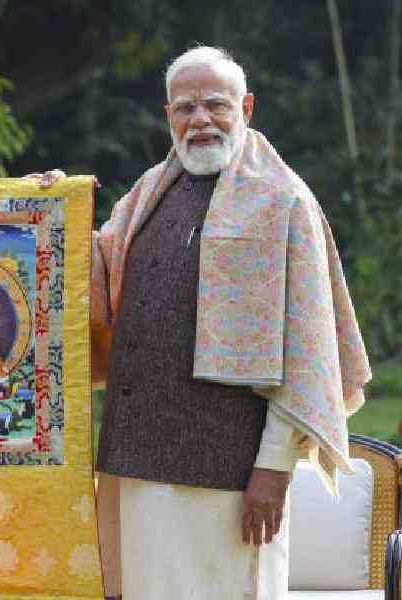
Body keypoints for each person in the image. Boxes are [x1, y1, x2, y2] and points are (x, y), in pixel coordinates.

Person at [34, 45, 371, 599]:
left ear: (247, 107)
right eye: (185, 107)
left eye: (216, 104)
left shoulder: (284, 202)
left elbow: (305, 347)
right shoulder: (150, 190)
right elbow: (96, 272)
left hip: (228, 471)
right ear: (169, 115)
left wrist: (274, 468)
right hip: (134, 459)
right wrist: (51, 212)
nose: (200, 120)